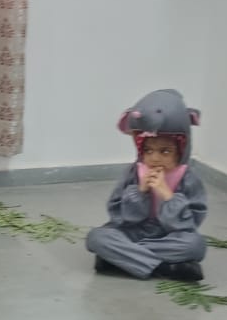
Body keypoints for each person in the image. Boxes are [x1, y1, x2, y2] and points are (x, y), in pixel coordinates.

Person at [84, 88, 208, 281]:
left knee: (196, 245)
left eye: (165, 151)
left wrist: (167, 195)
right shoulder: (134, 172)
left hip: (168, 236)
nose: (155, 158)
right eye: (149, 151)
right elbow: (119, 218)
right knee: (96, 237)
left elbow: (189, 226)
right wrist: (140, 192)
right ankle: (164, 268)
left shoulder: (188, 178)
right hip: (134, 232)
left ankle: (121, 259)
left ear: (181, 150)